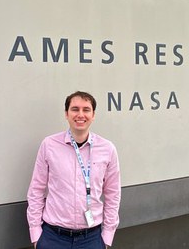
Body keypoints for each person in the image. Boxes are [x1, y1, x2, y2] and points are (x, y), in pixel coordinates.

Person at [27, 91, 121, 249]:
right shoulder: (49, 145)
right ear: (66, 114)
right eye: (75, 109)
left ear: (93, 115)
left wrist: (107, 236)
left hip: (91, 239)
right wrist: (36, 232)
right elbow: (36, 190)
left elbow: (113, 194)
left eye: (86, 109)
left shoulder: (107, 149)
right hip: (53, 237)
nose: (80, 115)